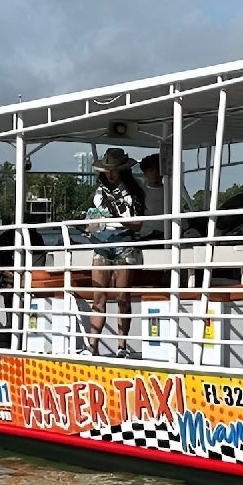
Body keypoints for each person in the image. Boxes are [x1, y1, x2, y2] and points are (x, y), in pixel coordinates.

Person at [83, 147, 146, 356]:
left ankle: (122, 347)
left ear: (122, 171)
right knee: (98, 297)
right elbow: (93, 223)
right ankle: (92, 347)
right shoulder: (99, 192)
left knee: (122, 298)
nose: (110, 173)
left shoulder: (134, 192)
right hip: (102, 242)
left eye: (114, 170)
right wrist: (90, 226)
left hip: (124, 243)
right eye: (107, 170)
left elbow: (137, 224)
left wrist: (115, 218)